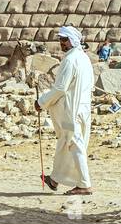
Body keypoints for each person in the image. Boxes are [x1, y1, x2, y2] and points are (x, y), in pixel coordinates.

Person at [36, 26, 94, 195]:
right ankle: (55, 179)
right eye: (60, 39)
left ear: (72, 41)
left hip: (72, 111)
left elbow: (60, 88)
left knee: (74, 145)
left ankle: (84, 184)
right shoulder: (84, 58)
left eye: (64, 39)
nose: (61, 43)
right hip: (82, 108)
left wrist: (41, 102)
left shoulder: (70, 60)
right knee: (65, 144)